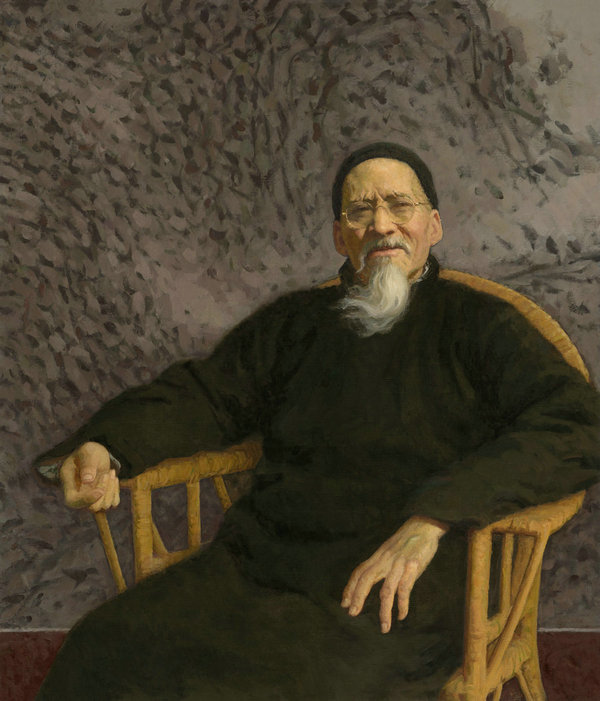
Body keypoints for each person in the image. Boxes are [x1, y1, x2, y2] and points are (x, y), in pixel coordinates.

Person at [36, 143, 600, 700]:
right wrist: (107, 446)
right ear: (338, 236)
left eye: (399, 206)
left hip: (400, 589)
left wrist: (435, 516)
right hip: (262, 567)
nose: (381, 225)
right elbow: (204, 395)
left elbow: (578, 425)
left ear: (433, 225)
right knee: (100, 647)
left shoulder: (483, 326)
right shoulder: (294, 323)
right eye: (360, 211)